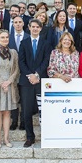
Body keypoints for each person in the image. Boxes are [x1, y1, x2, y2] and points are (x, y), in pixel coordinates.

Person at [19, 19, 52, 147]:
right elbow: (21, 61)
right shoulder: (24, 43)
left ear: (41, 28)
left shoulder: (46, 43)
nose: (34, 29)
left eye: (37, 27)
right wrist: (30, 75)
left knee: (43, 110)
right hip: (27, 81)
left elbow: (46, 60)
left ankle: (46, 136)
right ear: (29, 27)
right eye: (32, 26)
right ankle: (30, 137)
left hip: (41, 80)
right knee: (26, 110)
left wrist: (37, 74)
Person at [8, 16, 30, 131]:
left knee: (24, 99)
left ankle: (23, 121)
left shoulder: (28, 37)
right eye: (15, 22)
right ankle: (14, 121)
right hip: (12, 73)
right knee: (13, 98)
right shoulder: (8, 37)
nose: (17, 24)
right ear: (12, 24)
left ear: (23, 23)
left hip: (24, 72)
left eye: (19, 22)